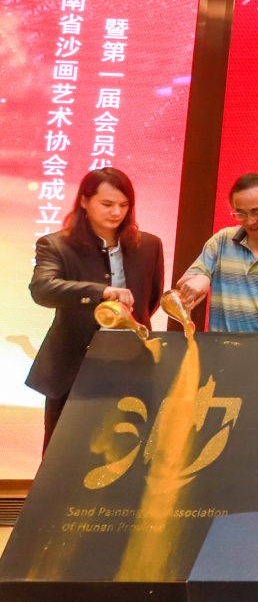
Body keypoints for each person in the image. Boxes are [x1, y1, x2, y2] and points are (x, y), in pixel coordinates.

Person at [28, 168, 165, 451]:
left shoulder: (148, 245)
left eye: (124, 205)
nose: (116, 212)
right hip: (73, 365)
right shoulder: (56, 245)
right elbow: (43, 289)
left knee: (127, 450)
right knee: (63, 453)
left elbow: (149, 300)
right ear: (84, 201)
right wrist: (99, 292)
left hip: (131, 365)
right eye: (107, 204)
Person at [174, 172, 258, 332]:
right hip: (222, 345)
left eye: (257, 212)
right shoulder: (222, 240)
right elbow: (184, 285)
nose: (249, 221)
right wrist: (201, 278)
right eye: (240, 213)